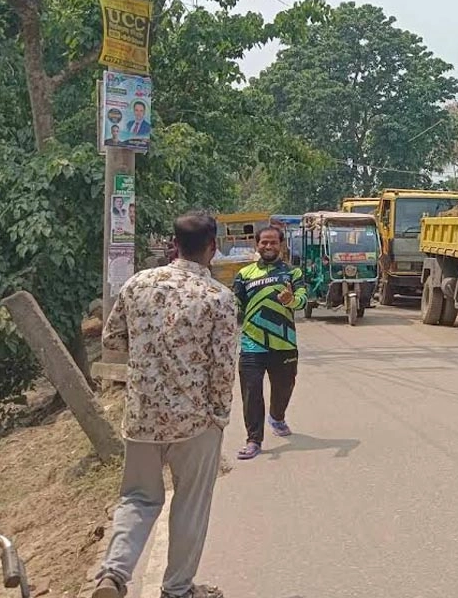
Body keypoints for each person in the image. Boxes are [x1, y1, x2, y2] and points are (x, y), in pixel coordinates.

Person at [93, 212, 239, 598]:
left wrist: (148, 363)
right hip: (195, 420)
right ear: (213, 247)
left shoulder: (138, 283)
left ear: (174, 244)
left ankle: (113, 574)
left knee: (137, 497)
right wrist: (219, 419)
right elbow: (224, 367)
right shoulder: (218, 298)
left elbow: (112, 339)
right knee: (190, 504)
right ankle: (177, 589)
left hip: (141, 416)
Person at [232, 226, 307, 460]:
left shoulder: (292, 274)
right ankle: (254, 439)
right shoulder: (244, 274)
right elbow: (236, 307)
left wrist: (291, 300)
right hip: (252, 344)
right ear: (257, 245)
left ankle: (277, 416)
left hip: (284, 344)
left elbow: (303, 301)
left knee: (283, 389)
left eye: (273, 242)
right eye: (264, 242)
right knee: (251, 391)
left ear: (281, 245)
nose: (268, 246)